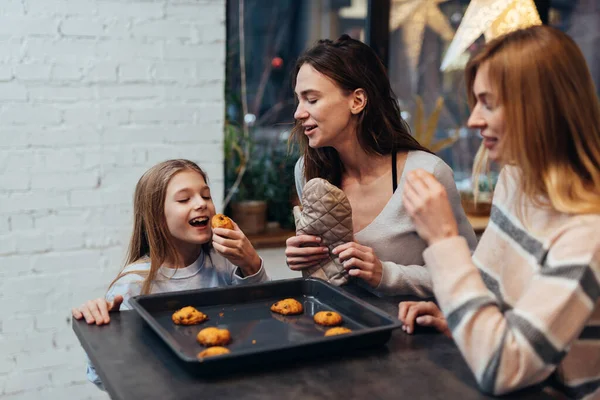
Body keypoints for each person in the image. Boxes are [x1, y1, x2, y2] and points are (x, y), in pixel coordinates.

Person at [399, 26, 600, 398]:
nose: (473, 120)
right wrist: (458, 318)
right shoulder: (515, 179)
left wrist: (443, 238)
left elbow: (503, 368)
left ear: (538, 109)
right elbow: (492, 291)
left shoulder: (588, 234)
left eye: (488, 103)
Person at [285, 35, 477, 297]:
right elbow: (327, 276)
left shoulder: (426, 174)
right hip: (334, 328)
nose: (298, 113)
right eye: (298, 100)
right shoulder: (307, 169)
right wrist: (304, 258)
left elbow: (469, 272)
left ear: (357, 101)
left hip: (408, 333)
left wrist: (386, 274)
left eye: (312, 99)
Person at [71, 159, 269, 389]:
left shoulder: (225, 263)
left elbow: (266, 322)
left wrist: (252, 264)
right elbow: (101, 378)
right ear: (157, 218)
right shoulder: (133, 286)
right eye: (185, 199)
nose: (201, 204)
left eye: (206, 196)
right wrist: (104, 335)